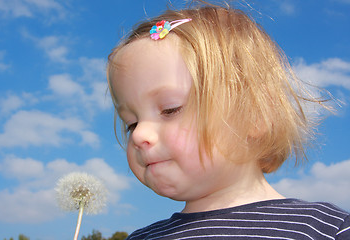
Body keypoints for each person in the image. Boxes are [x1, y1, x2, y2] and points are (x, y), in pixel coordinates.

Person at [106, 1, 350, 239]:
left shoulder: (328, 229)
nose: (139, 135)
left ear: (256, 113)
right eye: (131, 123)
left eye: (170, 109)